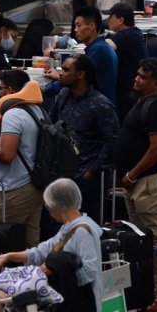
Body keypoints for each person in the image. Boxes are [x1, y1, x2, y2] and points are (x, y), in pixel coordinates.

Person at [0, 179, 102, 312]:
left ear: (57, 206)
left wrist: (55, 268)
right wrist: (10, 256)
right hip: (67, 311)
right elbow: (42, 251)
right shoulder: (68, 228)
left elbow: (89, 272)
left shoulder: (83, 231)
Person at [113, 59, 157, 312]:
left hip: (148, 183)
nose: (137, 79)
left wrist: (133, 174)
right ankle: (145, 292)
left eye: (143, 77)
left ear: (156, 83)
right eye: (137, 74)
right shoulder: (141, 102)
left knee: (156, 241)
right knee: (140, 240)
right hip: (135, 183)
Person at [50, 55, 119, 221]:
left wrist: (92, 171)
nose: (60, 73)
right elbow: (51, 125)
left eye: (66, 70)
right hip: (62, 174)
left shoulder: (101, 104)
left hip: (86, 177)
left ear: (80, 74)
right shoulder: (63, 95)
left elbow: (112, 140)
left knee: (85, 225)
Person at [0, 69, 46, 246]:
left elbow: (6, 156)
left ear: (11, 90)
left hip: (16, 188)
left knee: (1, 240)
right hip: (35, 184)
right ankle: (32, 274)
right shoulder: (36, 110)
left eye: (2, 88)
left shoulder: (14, 115)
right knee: (31, 243)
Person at [48, 7, 119, 109]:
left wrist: (45, 90)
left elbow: (76, 79)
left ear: (92, 26)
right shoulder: (101, 46)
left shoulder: (98, 50)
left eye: (78, 25)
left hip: (97, 109)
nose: (75, 30)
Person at [105, 3, 147, 117]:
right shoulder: (135, 32)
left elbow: (106, 47)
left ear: (120, 20)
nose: (108, 20)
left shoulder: (126, 35)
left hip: (129, 89)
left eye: (110, 17)